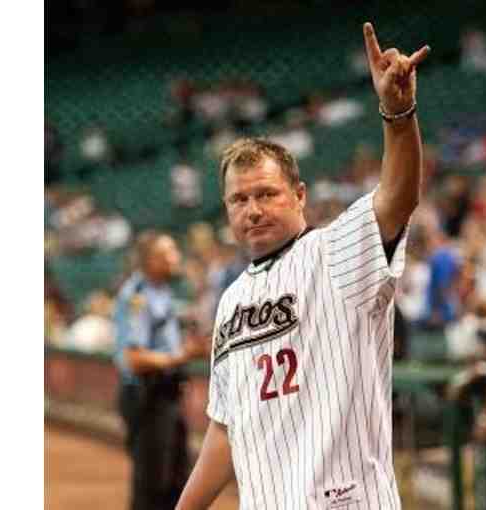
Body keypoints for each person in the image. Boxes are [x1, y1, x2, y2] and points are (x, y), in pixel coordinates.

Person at [176, 22, 430, 510]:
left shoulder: (335, 251)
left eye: (267, 194)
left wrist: (398, 115)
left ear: (299, 196)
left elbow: (398, 197)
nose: (253, 210)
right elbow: (226, 427)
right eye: (239, 199)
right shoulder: (231, 301)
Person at [113, 230, 207, 510]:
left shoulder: (162, 290)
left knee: (176, 481)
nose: (175, 258)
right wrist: (182, 356)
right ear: (151, 260)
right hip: (148, 396)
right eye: (168, 253)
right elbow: (133, 359)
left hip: (166, 394)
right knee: (152, 486)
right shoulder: (137, 296)